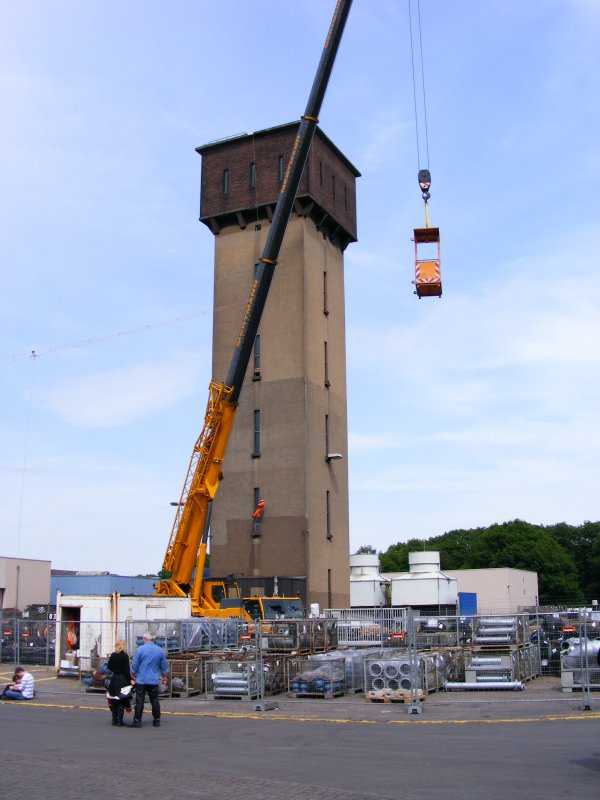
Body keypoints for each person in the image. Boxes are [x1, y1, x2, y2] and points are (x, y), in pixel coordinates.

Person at [130, 632, 168, 728]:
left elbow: (135, 664)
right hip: (153, 679)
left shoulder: (140, 649)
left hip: (142, 679)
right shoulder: (160, 650)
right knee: (154, 700)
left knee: (139, 700)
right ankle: (156, 720)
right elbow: (164, 665)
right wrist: (164, 675)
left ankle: (137, 721)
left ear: (145, 639)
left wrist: (133, 674)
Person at [105, 639, 134, 727]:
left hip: (114, 679)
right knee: (121, 699)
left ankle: (114, 719)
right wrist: (130, 679)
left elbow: (109, 666)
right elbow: (126, 670)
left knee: (113, 699)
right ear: (124, 646)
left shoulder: (113, 655)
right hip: (122, 679)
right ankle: (119, 720)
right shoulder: (124, 656)